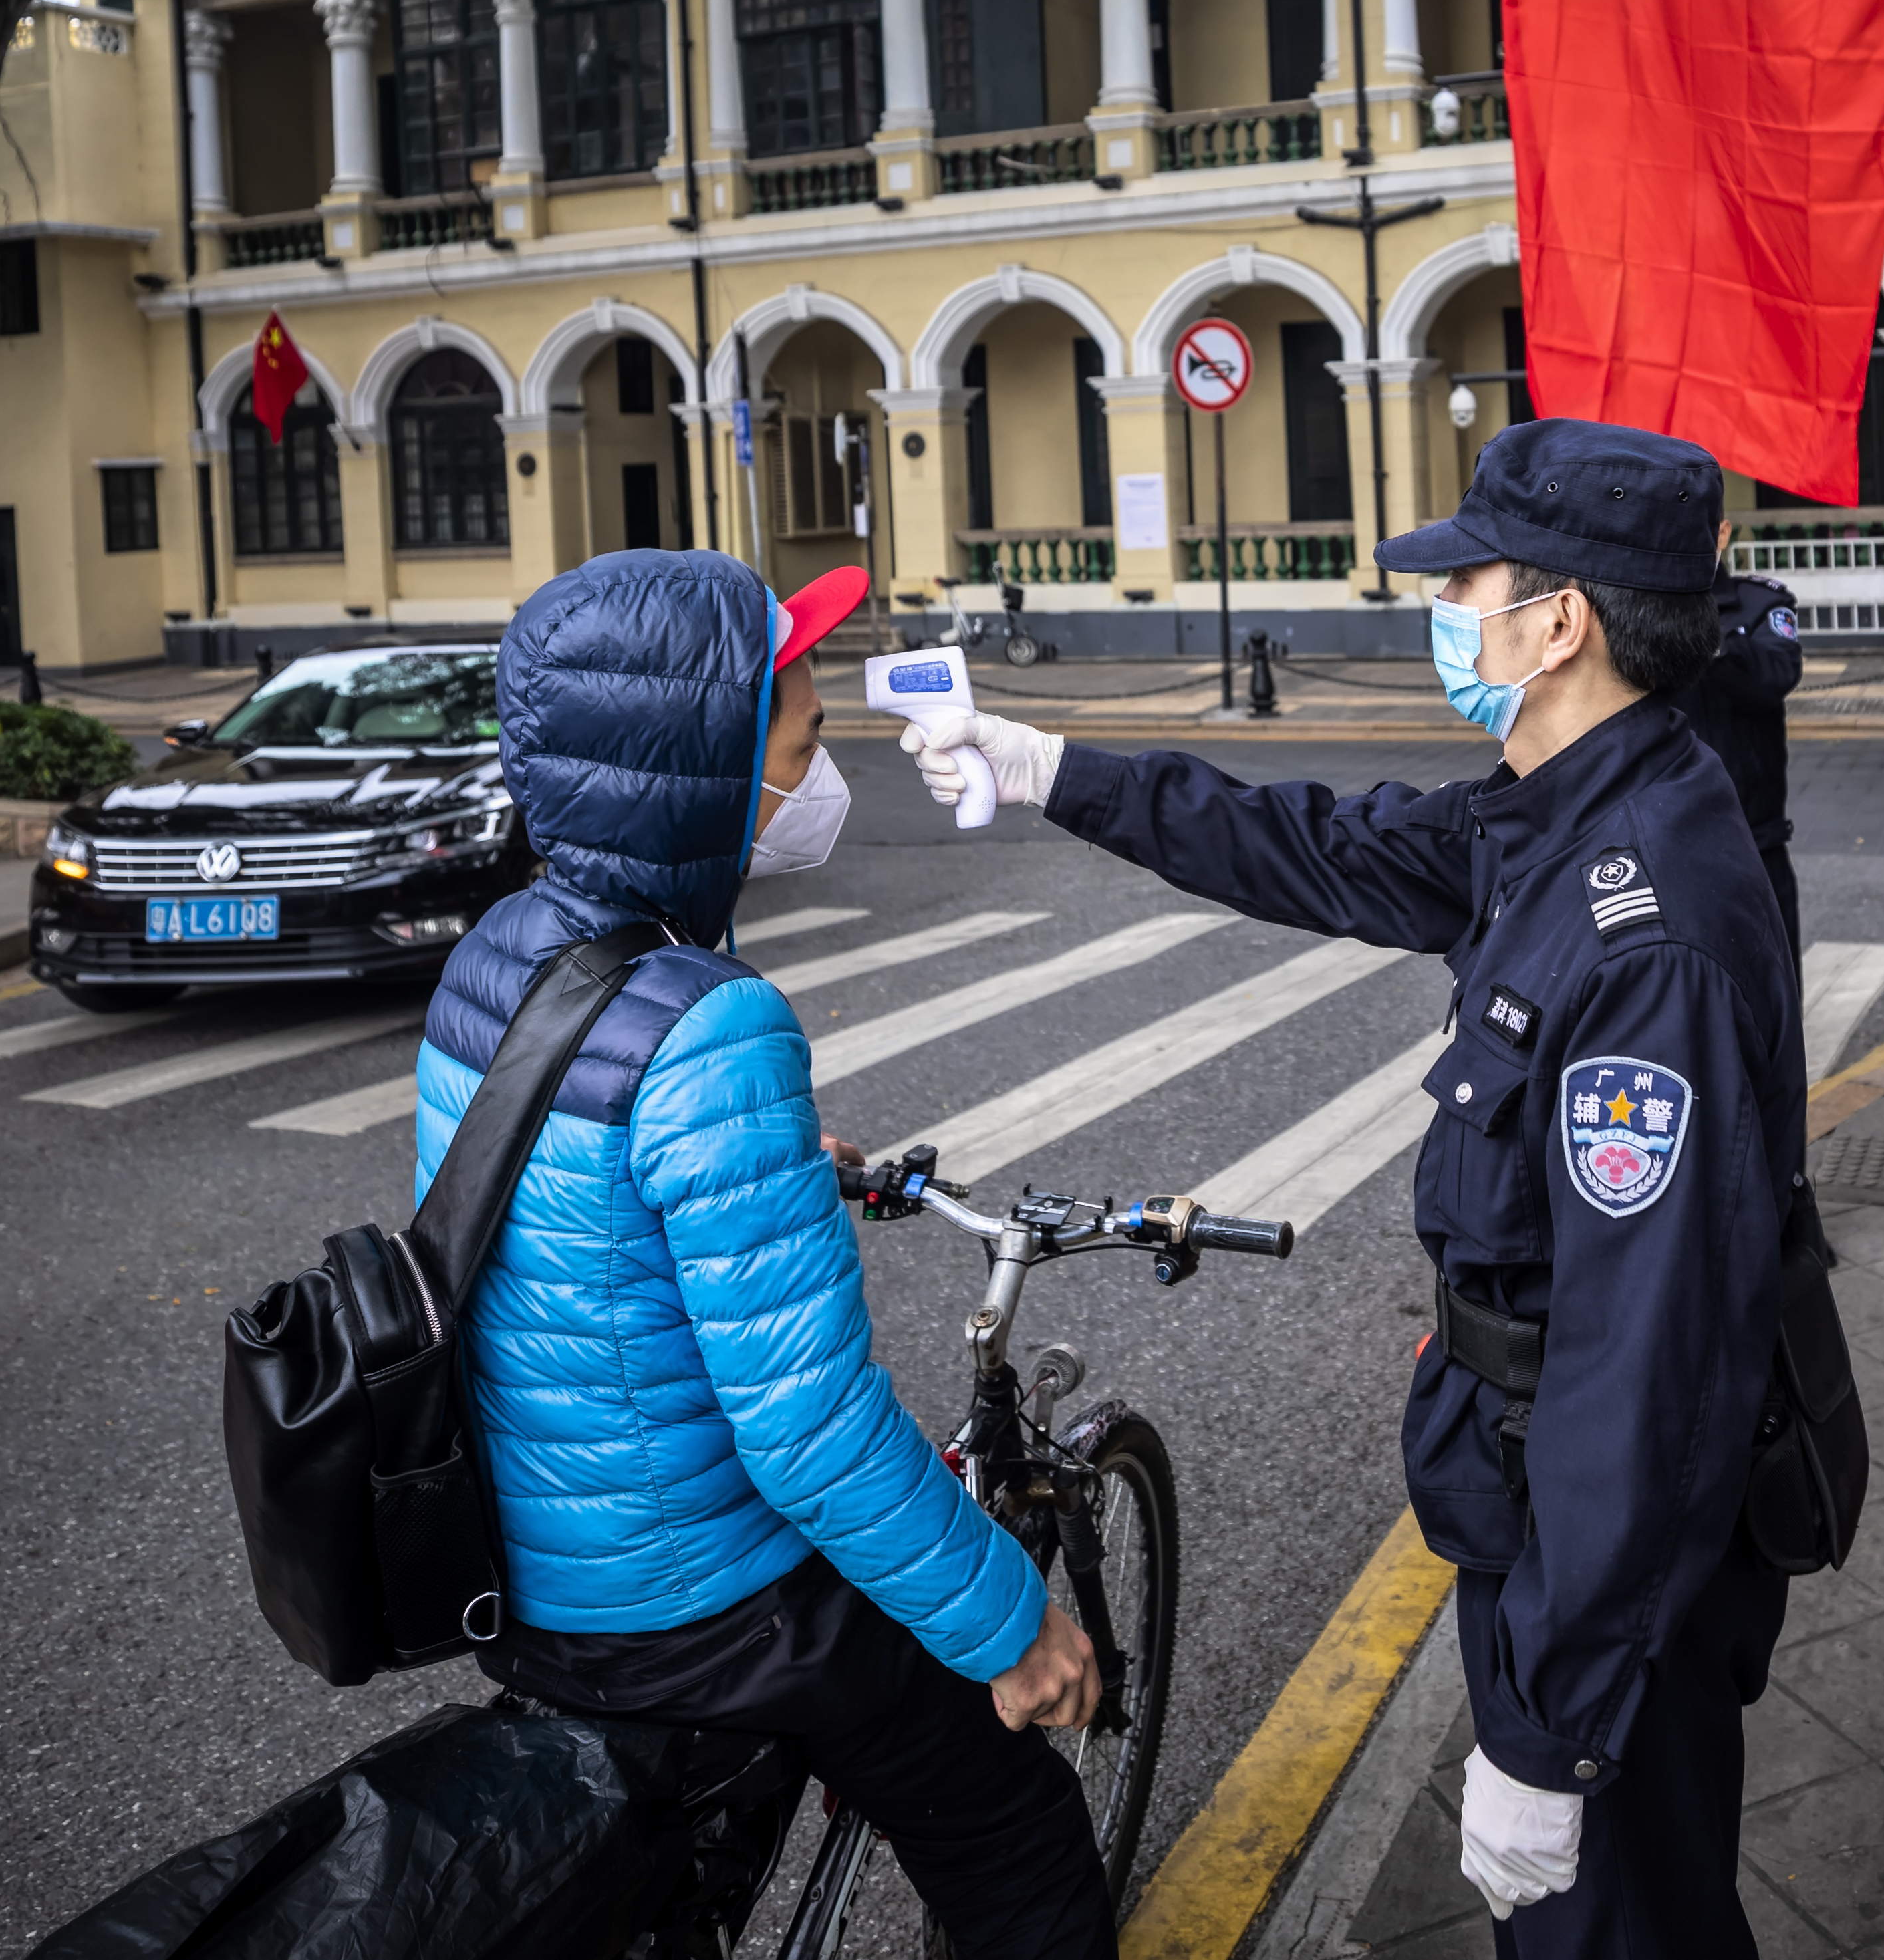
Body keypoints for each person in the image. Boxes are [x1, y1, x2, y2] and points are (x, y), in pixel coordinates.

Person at [902, 421, 1806, 1957]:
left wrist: (1550, 1729)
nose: (1447, 611)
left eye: (1471, 583)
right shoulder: (1565, 801)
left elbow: (1646, 1372)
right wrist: (1051, 766)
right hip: (1532, 1499)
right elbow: (1306, 841)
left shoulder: (1640, 913)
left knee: (1621, 1930)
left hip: (1602, 1557)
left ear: (1561, 618)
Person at [424, 548, 1114, 1960]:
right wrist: (1012, 1626)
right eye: (797, 740)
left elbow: (572, 1206)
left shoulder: (500, 951)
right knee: (1023, 1836)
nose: (818, 769)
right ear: (696, 770)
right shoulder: (710, 1021)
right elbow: (806, 1430)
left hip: (534, 1550)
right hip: (693, 1597)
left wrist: (783, 1165)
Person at [1663, 521, 1805, 961]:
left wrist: (1702, 636)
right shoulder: (1639, 611)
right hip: (1668, 837)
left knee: (1772, 993)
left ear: (1722, 532)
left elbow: (1775, 676)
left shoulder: (1760, 603)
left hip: (1754, 837)